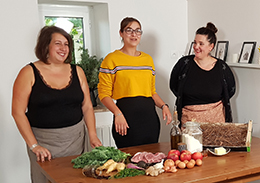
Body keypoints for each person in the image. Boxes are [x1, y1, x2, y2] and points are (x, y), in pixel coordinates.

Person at [12, 26, 102, 183]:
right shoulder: (28, 72)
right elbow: (18, 112)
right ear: (46, 45)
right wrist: (34, 146)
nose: (63, 48)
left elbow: (87, 106)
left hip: (76, 140)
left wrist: (93, 135)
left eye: (66, 44)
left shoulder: (77, 71)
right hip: (43, 144)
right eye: (58, 43)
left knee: (77, 179)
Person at [98, 17, 172, 148]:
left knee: (152, 160)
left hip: (149, 119)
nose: (134, 34)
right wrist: (118, 113)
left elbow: (151, 92)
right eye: (129, 30)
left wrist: (164, 106)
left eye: (138, 31)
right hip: (125, 118)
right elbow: (103, 94)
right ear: (121, 33)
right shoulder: (111, 60)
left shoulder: (147, 60)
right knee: (128, 162)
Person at [169, 22, 235, 127]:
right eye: (195, 42)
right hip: (189, 123)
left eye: (201, 44)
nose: (196, 47)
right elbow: (174, 86)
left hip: (217, 124)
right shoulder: (184, 64)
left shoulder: (222, 67)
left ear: (211, 47)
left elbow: (230, 90)